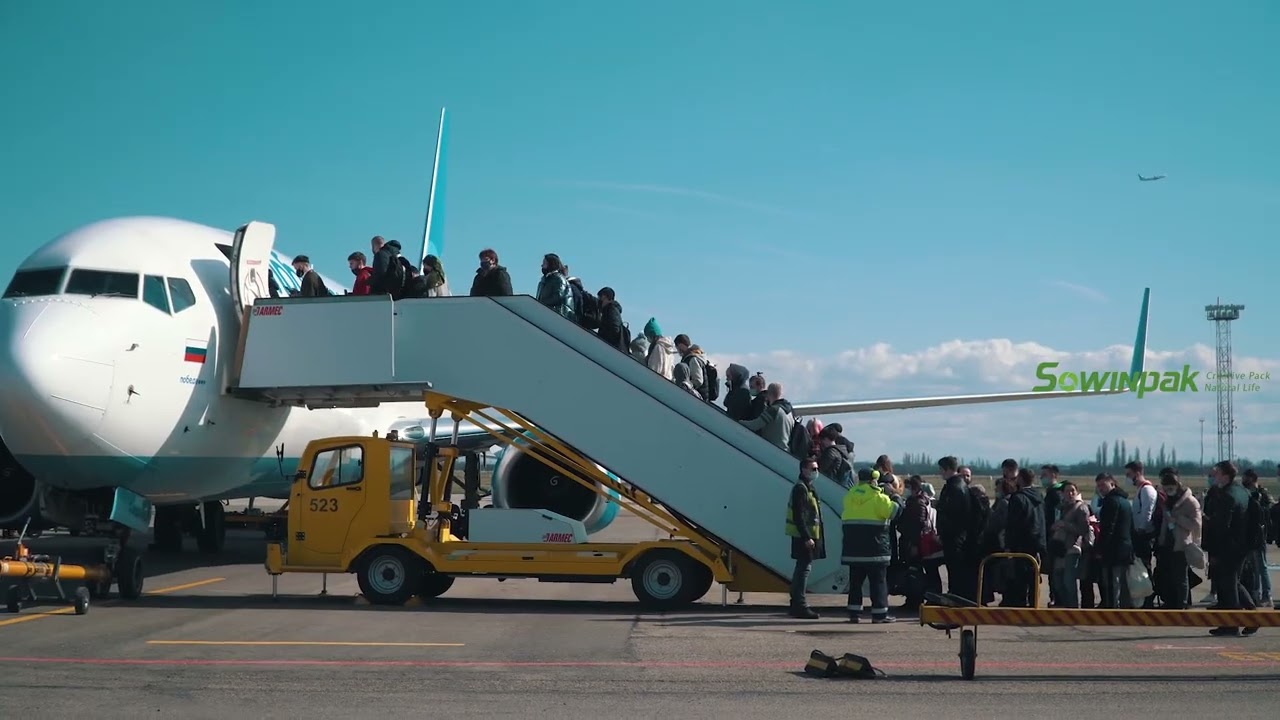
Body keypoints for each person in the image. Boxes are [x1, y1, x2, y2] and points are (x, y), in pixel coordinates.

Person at [840, 467, 902, 623]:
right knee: (878, 583)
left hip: (853, 551)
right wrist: (895, 495)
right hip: (875, 550)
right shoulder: (879, 498)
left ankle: (854, 614)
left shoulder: (849, 496)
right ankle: (879, 615)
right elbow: (894, 513)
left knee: (855, 583)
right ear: (874, 480)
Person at [785, 456, 825, 619]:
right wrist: (807, 537)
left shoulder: (808, 487)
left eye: (817, 469)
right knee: (803, 570)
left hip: (805, 536)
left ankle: (795, 603)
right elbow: (799, 515)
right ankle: (800, 605)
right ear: (803, 470)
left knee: (801, 569)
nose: (816, 472)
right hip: (803, 537)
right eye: (813, 469)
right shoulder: (801, 489)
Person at [1155, 467, 1201, 610]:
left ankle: (1182, 603)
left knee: (1181, 576)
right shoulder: (1167, 501)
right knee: (1168, 575)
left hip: (1181, 544)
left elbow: (1195, 524)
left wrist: (1177, 519)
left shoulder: (1190, 502)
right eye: (1165, 488)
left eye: (1170, 488)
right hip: (1167, 543)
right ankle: (1170, 601)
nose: (1168, 491)